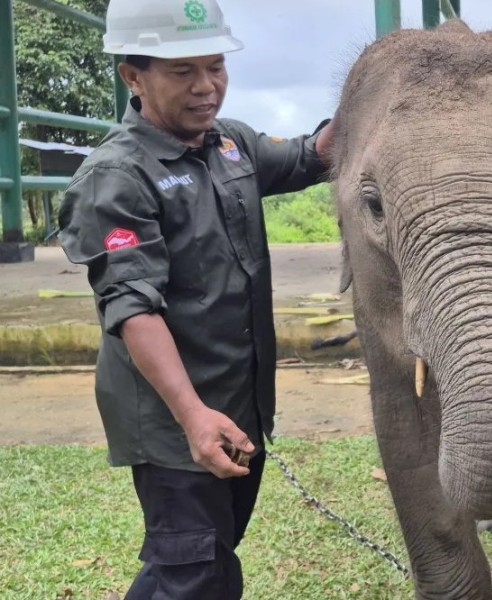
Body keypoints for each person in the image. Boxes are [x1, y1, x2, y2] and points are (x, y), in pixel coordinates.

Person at [57, 0, 335, 597]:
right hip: (176, 420)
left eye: (216, 66)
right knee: (189, 571)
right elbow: (132, 308)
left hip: (237, 404)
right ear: (133, 76)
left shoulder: (230, 144)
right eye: (183, 71)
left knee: (210, 558)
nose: (207, 86)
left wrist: (376, 97)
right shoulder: (116, 177)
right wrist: (193, 418)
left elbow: (314, 155)